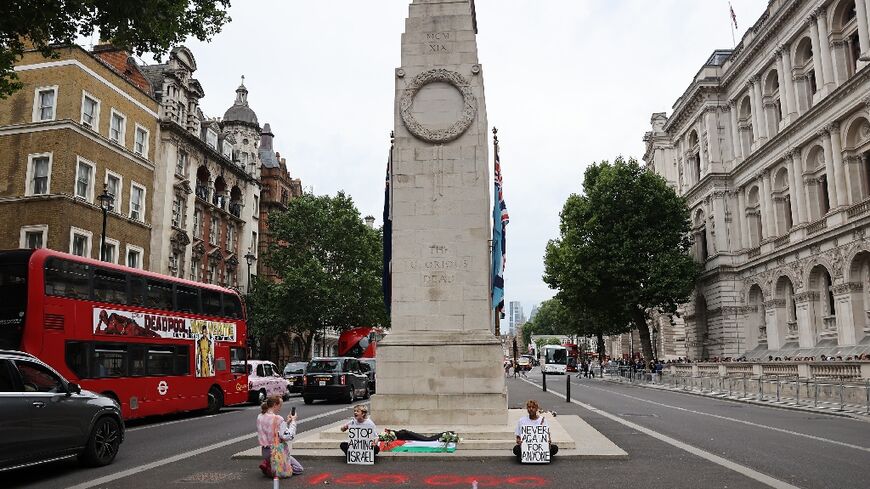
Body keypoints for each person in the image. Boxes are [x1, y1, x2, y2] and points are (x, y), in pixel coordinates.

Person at [256, 395, 303, 478]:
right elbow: (287, 436)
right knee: (298, 468)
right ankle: (272, 469)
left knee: (279, 464)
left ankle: (269, 464)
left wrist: (286, 423)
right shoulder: (278, 418)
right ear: (275, 405)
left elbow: (273, 429)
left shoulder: (260, 416)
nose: (280, 408)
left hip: (265, 451)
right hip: (277, 452)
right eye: (280, 405)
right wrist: (293, 422)